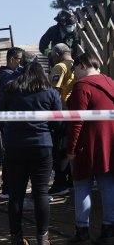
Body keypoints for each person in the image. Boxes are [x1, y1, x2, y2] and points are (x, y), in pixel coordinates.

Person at [0, 62, 62, 245]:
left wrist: (10, 133)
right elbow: (58, 123)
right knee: (40, 194)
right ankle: (43, 238)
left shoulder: (9, 89)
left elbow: (0, 118)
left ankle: (16, 237)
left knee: (15, 194)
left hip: (15, 147)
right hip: (42, 147)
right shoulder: (50, 92)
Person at [66, 53, 114, 244]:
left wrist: (71, 149)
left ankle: (82, 231)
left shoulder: (82, 86)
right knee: (108, 185)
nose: (74, 73)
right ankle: (109, 228)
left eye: (74, 68)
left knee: (82, 186)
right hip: (110, 145)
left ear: (83, 65)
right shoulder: (110, 82)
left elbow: (76, 122)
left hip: (88, 145)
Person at [0, 46, 24, 199]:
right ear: (12, 59)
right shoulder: (7, 76)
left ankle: (8, 187)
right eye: (20, 60)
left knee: (11, 155)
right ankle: (8, 188)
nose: (22, 64)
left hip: (9, 121)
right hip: (9, 122)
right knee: (12, 156)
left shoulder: (8, 74)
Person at [48, 43, 75, 197]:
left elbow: (54, 94)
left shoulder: (59, 67)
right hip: (78, 114)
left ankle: (60, 183)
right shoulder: (77, 65)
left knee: (60, 150)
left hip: (63, 115)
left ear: (57, 54)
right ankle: (71, 180)